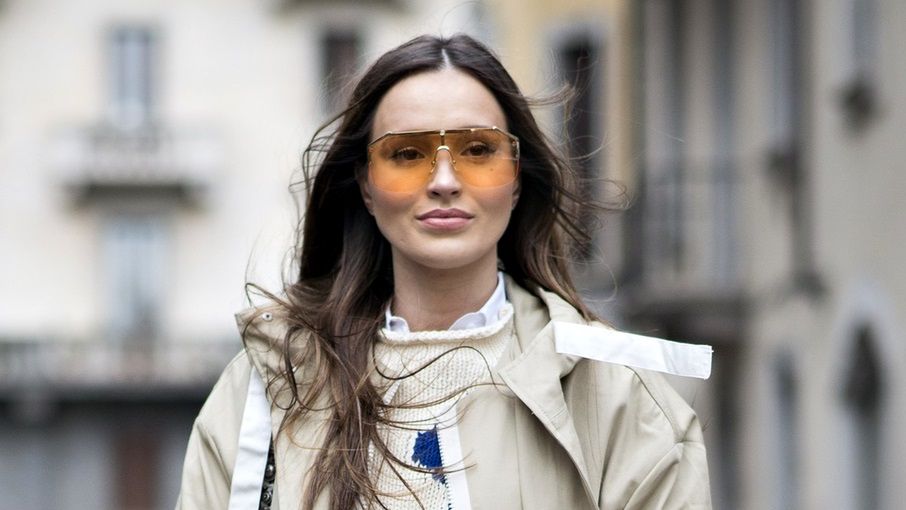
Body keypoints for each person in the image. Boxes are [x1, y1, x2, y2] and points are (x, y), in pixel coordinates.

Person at [176, 34, 713, 510]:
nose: (444, 181)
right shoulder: (268, 387)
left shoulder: (617, 393)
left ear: (516, 178)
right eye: (406, 154)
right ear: (365, 185)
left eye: (478, 150)